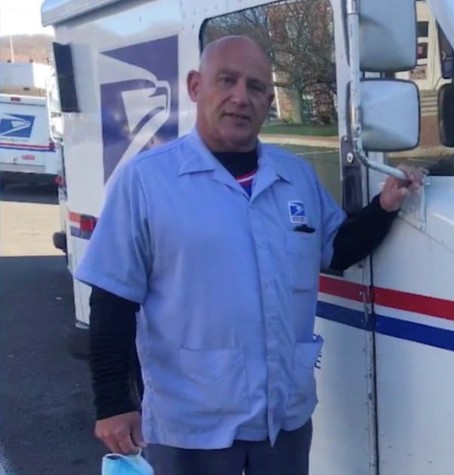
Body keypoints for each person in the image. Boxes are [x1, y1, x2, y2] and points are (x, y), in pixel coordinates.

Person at [74, 34, 425, 475]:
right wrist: (112, 403)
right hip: (193, 428)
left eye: (256, 87)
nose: (241, 97)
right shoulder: (147, 183)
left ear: (268, 100)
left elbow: (336, 250)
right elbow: (112, 300)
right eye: (227, 81)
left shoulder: (294, 176)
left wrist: (384, 207)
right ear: (196, 86)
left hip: (284, 419)